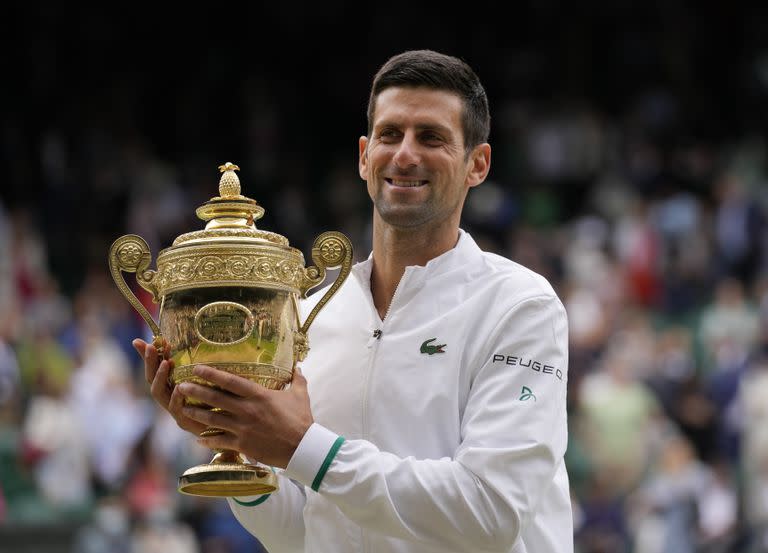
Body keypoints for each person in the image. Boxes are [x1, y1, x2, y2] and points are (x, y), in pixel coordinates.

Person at [134, 49, 573, 552]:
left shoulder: (520, 306)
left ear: (478, 164)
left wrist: (306, 448)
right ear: (364, 156)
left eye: (431, 137)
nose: (405, 155)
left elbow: (490, 512)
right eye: (390, 134)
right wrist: (236, 442)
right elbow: (306, 533)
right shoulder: (310, 314)